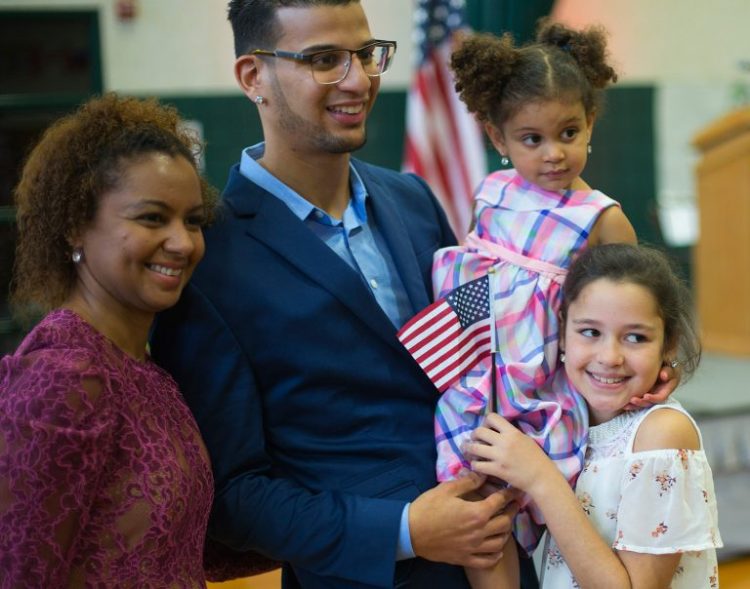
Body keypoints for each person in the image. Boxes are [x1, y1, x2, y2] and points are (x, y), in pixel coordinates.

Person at [150, 1, 537, 587]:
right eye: (324, 59)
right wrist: (405, 530)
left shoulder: (413, 200)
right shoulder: (210, 257)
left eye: (365, 54)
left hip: (506, 557)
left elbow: (477, 357)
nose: (358, 80)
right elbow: (233, 494)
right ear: (254, 77)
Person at [401, 22, 678, 587]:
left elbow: (643, 302)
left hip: (544, 384)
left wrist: (660, 364)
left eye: (568, 132)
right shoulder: (492, 193)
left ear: (591, 123)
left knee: (542, 499)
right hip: (478, 377)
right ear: (497, 137)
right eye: (531, 139)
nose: (554, 154)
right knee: (478, 508)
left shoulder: (601, 216)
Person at [0, 93, 218, 587]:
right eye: (151, 218)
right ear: (77, 226)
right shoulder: (64, 375)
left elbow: (170, 546)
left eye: (193, 220)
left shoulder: (141, 365)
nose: (183, 242)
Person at [466, 243, 723, 588]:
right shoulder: (558, 418)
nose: (609, 356)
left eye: (635, 337)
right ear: (562, 330)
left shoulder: (662, 433)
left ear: (669, 342)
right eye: (590, 332)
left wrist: (541, 479)